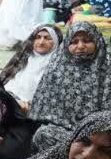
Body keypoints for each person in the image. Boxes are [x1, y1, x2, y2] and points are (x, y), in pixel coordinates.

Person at [29, 21, 110, 151]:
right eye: (74, 42)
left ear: (97, 41)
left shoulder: (107, 67)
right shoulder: (58, 66)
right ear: (67, 44)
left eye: (87, 41)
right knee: (43, 135)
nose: (80, 46)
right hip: (63, 131)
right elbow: (44, 108)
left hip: (98, 135)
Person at [0, 24, 60, 113]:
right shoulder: (22, 59)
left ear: (56, 42)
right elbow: (5, 86)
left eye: (47, 38)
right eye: (38, 37)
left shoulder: (59, 65)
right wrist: (16, 102)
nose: (41, 42)